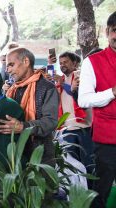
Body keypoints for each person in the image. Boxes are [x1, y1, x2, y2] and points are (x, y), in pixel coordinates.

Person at [0, 47, 59, 166]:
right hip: (15, 155)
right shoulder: (12, 89)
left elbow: (50, 121)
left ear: (26, 62)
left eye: (11, 65)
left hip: (40, 156)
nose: (8, 70)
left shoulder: (47, 87)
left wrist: (23, 127)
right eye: (7, 66)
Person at [78, 11, 116, 208]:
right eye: (115, 31)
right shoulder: (92, 62)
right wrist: (112, 92)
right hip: (107, 140)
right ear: (107, 32)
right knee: (100, 193)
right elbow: (84, 100)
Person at [57, 52, 93, 175]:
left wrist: (62, 84)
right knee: (71, 165)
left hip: (83, 128)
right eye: (60, 63)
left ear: (74, 63)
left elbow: (77, 92)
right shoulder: (61, 79)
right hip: (67, 128)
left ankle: (92, 192)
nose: (62, 65)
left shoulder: (80, 75)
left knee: (88, 163)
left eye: (65, 62)